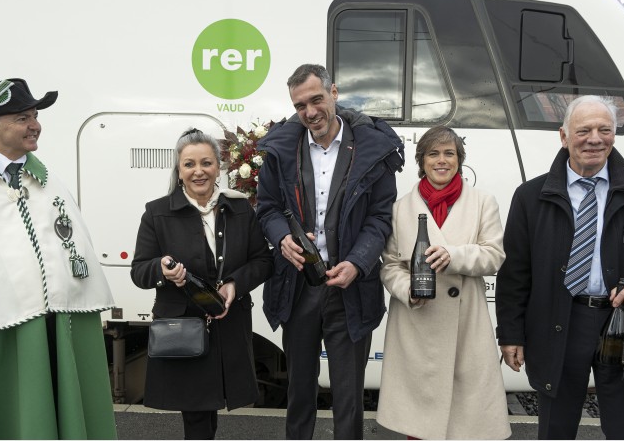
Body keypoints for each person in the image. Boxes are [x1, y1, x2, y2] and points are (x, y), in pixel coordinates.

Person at [0, 78, 117, 439]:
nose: (35, 124)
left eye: (35, 115)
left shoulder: (48, 181)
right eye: (22, 117)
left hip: (55, 324)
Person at [496, 95, 624, 439]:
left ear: (614, 135)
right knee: (556, 430)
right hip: (559, 323)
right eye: (584, 130)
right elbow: (516, 273)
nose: (595, 138)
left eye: (604, 129)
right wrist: (511, 334)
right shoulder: (531, 196)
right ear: (563, 136)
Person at [256, 63, 404, 439]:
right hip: (297, 285)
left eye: (316, 99)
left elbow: (380, 217)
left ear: (334, 93)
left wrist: (357, 262)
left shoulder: (373, 149)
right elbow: (267, 207)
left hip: (350, 289)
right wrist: (281, 238)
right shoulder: (280, 148)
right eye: (300, 104)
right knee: (299, 391)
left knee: (349, 396)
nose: (310, 112)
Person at [131, 128, 273, 440]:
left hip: (228, 327)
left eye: (206, 163)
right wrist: (162, 270)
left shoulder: (240, 209)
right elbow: (139, 271)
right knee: (196, 417)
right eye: (189, 164)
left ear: (218, 167)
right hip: (184, 327)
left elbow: (263, 261)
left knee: (209, 414)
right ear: (179, 171)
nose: (199, 171)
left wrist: (234, 285)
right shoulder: (157, 213)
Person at [376, 126, 511, 439]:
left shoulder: (482, 202)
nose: (441, 160)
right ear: (421, 160)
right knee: (419, 426)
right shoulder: (400, 209)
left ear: (459, 160)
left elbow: (494, 255)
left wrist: (454, 256)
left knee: (466, 425)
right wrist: (405, 289)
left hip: (466, 326)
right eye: (433, 154)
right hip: (416, 325)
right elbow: (390, 265)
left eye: (449, 153)